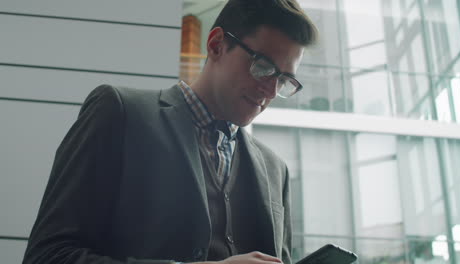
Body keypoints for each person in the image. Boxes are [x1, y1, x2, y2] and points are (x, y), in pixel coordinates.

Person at [22, 0, 318, 263]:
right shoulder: (119, 112)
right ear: (216, 45)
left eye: (284, 80)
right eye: (263, 66)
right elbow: (48, 255)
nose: (269, 89)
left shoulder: (275, 169)